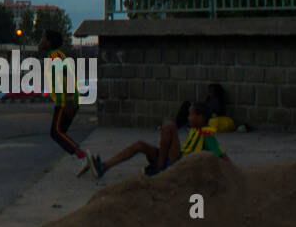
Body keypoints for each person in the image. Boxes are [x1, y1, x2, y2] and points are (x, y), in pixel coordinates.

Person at [87, 98, 228, 178]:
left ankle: (159, 169)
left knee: (170, 126)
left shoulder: (207, 134)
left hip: (181, 163)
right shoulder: (194, 130)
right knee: (139, 144)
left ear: (201, 118)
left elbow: (221, 154)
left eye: (191, 115)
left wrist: (235, 172)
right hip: (175, 157)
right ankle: (104, 167)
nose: (188, 118)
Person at [38, 29, 88, 169]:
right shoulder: (54, 56)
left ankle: (82, 156)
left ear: (49, 42)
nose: (40, 41)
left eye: (43, 38)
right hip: (65, 100)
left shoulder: (55, 57)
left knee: (57, 132)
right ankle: (80, 158)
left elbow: (68, 77)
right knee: (58, 133)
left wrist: (70, 101)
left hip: (66, 101)